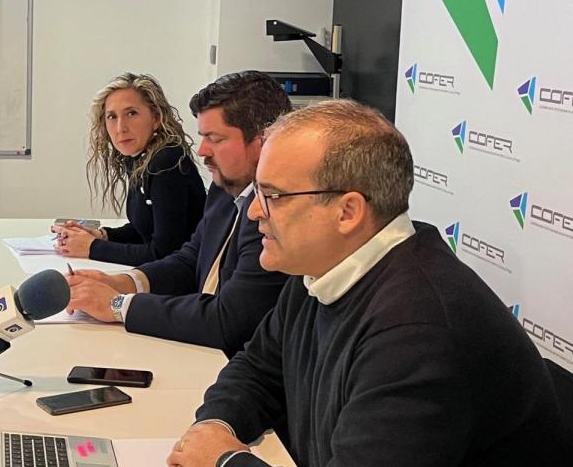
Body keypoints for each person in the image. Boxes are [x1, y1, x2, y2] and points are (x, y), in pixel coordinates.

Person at [167, 100, 570, 467]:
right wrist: (216, 424)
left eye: (273, 195)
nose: (255, 210)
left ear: (348, 212)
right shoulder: (320, 267)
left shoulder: (416, 329)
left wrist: (223, 462)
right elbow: (257, 368)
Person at [65, 71, 290, 355]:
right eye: (202, 137)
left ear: (263, 142)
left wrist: (117, 305)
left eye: (215, 139)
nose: (202, 150)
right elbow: (189, 259)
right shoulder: (224, 189)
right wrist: (122, 282)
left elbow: (228, 322)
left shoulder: (278, 214)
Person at [53, 73, 206, 266]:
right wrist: (102, 236)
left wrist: (92, 248)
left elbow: (164, 253)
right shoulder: (141, 158)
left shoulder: (166, 163)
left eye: (131, 113)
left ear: (156, 118)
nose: (120, 128)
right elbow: (144, 230)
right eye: (112, 117)